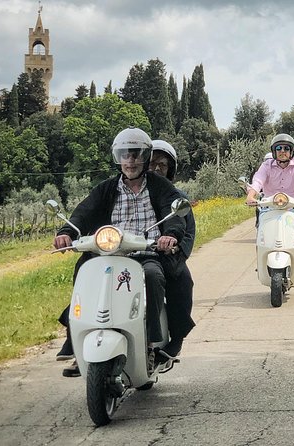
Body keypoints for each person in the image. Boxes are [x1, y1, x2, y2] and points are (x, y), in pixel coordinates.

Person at [54, 127, 187, 376]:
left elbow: (174, 212)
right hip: (109, 252)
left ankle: (150, 343)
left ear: (145, 156)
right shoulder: (106, 188)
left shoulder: (159, 186)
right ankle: (76, 341)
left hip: (146, 253)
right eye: (125, 155)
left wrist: (170, 235)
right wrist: (66, 232)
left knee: (153, 275)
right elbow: (84, 212)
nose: (130, 161)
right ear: (118, 157)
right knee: (84, 268)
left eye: (136, 155)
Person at [148, 139, 196, 360]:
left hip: (165, 256)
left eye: (163, 165)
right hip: (126, 254)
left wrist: (176, 252)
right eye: (151, 163)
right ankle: (78, 334)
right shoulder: (128, 192)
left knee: (182, 281)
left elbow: (187, 232)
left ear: (171, 170)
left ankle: (176, 339)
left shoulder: (178, 197)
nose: (156, 168)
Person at [246, 133, 294, 221]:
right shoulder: (266, 165)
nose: (282, 151)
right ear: (274, 151)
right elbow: (258, 181)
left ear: (291, 151)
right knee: (263, 232)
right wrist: (250, 196)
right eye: (278, 148)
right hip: (269, 208)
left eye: (286, 148)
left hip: (292, 208)